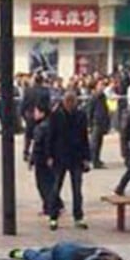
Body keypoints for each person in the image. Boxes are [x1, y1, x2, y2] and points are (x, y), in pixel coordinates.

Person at [48, 91, 91, 230]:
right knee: (55, 188)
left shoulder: (81, 115)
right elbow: (51, 136)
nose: (71, 105)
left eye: (73, 102)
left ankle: (78, 216)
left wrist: (86, 157)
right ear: (64, 102)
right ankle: (53, 216)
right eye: (68, 102)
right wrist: (49, 155)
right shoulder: (56, 115)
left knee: (77, 189)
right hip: (59, 156)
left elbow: (84, 137)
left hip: (76, 156)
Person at [7, 242, 129, 260]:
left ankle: (46, 250)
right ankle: (22, 253)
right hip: (62, 258)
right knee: (38, 259)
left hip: (69, 247)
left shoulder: (110, 254)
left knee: (48, 253)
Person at [29, 104, 56, 217]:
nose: (34, 114)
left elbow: (38, 146)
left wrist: (32, 160)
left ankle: (51, 206)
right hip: (49, 159)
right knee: (49, 183)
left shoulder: (41, 127)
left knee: (43, 185)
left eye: (36, 112)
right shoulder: (50, 124)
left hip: (42, 159)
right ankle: (50, 205)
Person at [87, 80, 111, 169]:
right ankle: (93, 160)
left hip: (102, 122)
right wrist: (89, 124)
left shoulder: (103, 96)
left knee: (99, 142)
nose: (102, 87)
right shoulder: (94, 97)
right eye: (100, 85)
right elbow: (89, 111)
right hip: (95, 122)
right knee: (94, 143)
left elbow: (105, 109)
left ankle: (97, 159)